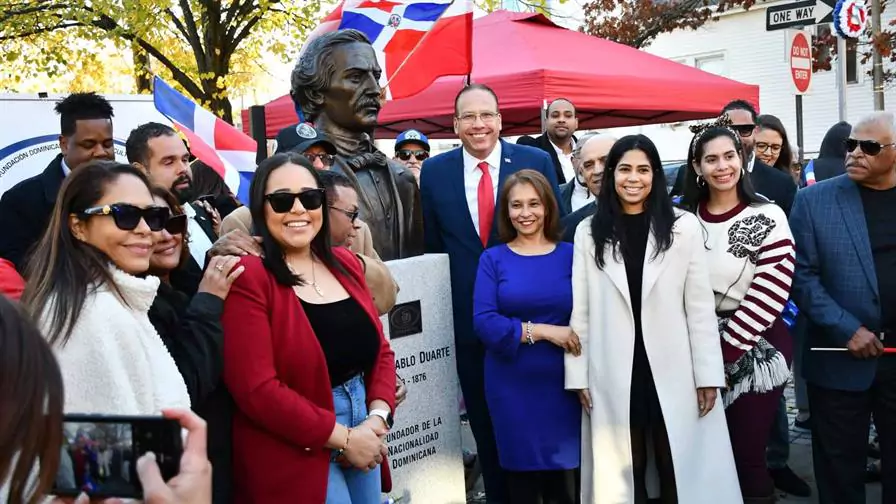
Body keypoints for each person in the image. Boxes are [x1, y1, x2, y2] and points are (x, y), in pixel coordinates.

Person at [565, 134, 741, 504]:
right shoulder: (589, 232)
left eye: (643, 169)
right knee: (626, 468)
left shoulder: (683, 227)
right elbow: (581, 311)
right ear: (611, 175)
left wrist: (708, 374)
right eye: (624, 169)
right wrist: (577, 374)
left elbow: (699, 308)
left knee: (676, 460)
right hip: (613, 368)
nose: (634, 178)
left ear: (655, 175)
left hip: (674, 367)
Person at [221, 153, 397, 503]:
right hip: (293, 444)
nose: (298, 209)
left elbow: (381, 351)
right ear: (261, 208)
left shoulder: (345, 262)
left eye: (310, 198)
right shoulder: (249, 276)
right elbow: (256, 389)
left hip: (364, 426)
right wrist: (345, 438)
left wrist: (376, 420)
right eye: (282, 200)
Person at [420, 83, 562, 503]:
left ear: (500, 121)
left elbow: (557, 233)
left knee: (542, 427)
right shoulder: (435, 172)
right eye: (469, 116)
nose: (478, 124)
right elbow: (433, 248)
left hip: (537, 323)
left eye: (486, 115)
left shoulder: (536, 161)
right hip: (471, 327)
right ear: (455, 125)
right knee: (486, 427)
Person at [678, 119, 794, 503]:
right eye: (711, 159)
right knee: (704, 456)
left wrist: (722, 359)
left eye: (730, 156)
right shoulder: (682, 219)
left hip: (755, 346)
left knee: (746, 455)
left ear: (742, 159)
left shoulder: (768, 216)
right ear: (697, 167)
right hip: (693, 346)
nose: (722, 166)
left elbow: (770, 293)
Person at [22, 160, 191, 415]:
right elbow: (108, 436)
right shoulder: (93, 313)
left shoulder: (98, 302)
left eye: (154, 217)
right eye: (125, 215)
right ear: (78, 226)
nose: (146, 230)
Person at [790, 111, 896, 504]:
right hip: (837, 356)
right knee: (838, 476)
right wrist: (846, 328)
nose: (854, 153)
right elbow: (801, 276)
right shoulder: (813, 201)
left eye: (869, 147)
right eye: (850, 144)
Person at [473, 169, 582, 504]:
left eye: (534, 203)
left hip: (566, 385)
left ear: (548, 206)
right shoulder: (492, 259)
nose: (525, 213)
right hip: (512, 387)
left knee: (565, 488)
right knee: (522, 486)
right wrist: (544, 331)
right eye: (516, 205)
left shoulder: (572, 254)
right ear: (506, 211)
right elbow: (485, 323)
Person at [291, 28, 423, 260]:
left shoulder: (402, 178)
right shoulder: (296, 176)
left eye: (376, 77)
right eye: (355, 77)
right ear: (315, 94)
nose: (374, 90)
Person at [146, 186, 242, 504]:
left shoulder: (185, 280)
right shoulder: (136, 305)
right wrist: (209, 300)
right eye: (151, 223)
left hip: (222, 459)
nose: (166, 236)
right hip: (185, 471)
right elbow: (186, 385)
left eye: (174, 222)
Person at [0, 92, 115, 272]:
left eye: (107, 144)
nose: (101, 152)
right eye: (88, 145)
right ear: (64, 144)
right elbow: (18, 270)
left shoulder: (130, 194)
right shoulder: (19, 202)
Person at [126, 122, 220, 297]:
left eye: (185, 159)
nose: (183, 169)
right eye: (168, 162)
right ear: (139, 171)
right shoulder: (134, 232)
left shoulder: (204, 214)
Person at [560, 134, 617, 243]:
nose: (597, 170)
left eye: (605, 161)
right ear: (582, 172)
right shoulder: (570, 228)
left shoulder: (651, 215)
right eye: (588, 165)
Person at [516, 98, 579, 184]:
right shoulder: (532, 150)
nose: (561, 120)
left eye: (568, 116)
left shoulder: (587, 150)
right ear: (546, 121)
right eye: (555, 116)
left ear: (576, 123)